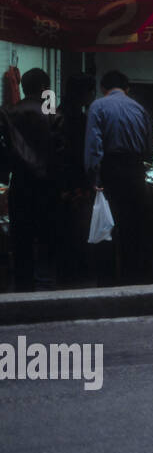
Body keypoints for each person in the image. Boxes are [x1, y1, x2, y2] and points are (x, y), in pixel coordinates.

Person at [84, 70, 153, 286]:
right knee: (133, 226)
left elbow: (94, 146)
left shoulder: (97, 106)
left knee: (107, 226)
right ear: (127, 88)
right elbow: (148, 146)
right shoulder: (139, 108)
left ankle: (107, 280)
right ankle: (133, 277)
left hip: (110, 171)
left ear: (103, 88)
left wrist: (94, 177)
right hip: (135, 171)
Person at [0, 69, 63, 290]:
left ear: (24, 87)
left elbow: (4, 150)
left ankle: (23, 286)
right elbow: (60, 147)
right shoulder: (51, 110)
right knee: (47, 236)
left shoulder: (9, 111)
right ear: (45, 88)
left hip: (21, 183)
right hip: (48, 184)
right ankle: (47, 284)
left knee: (21, 239)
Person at [55, 73, 97, 285]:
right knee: (78, 231)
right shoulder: (79, 120)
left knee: (65, 231)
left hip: (61, 184)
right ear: (84, 94)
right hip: (77, 184)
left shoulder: (57, 114)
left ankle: (66, 273)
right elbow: (84, 154)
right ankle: (76, 275)